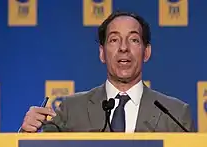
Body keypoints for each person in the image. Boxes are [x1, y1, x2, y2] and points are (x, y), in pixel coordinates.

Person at [19, 10, 195, 133]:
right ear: (102, 53)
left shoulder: (176, 114)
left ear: (146, 52)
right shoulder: (71, 110)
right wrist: (27, 133)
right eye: (114, 40)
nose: (124, 48)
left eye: (133, 40)